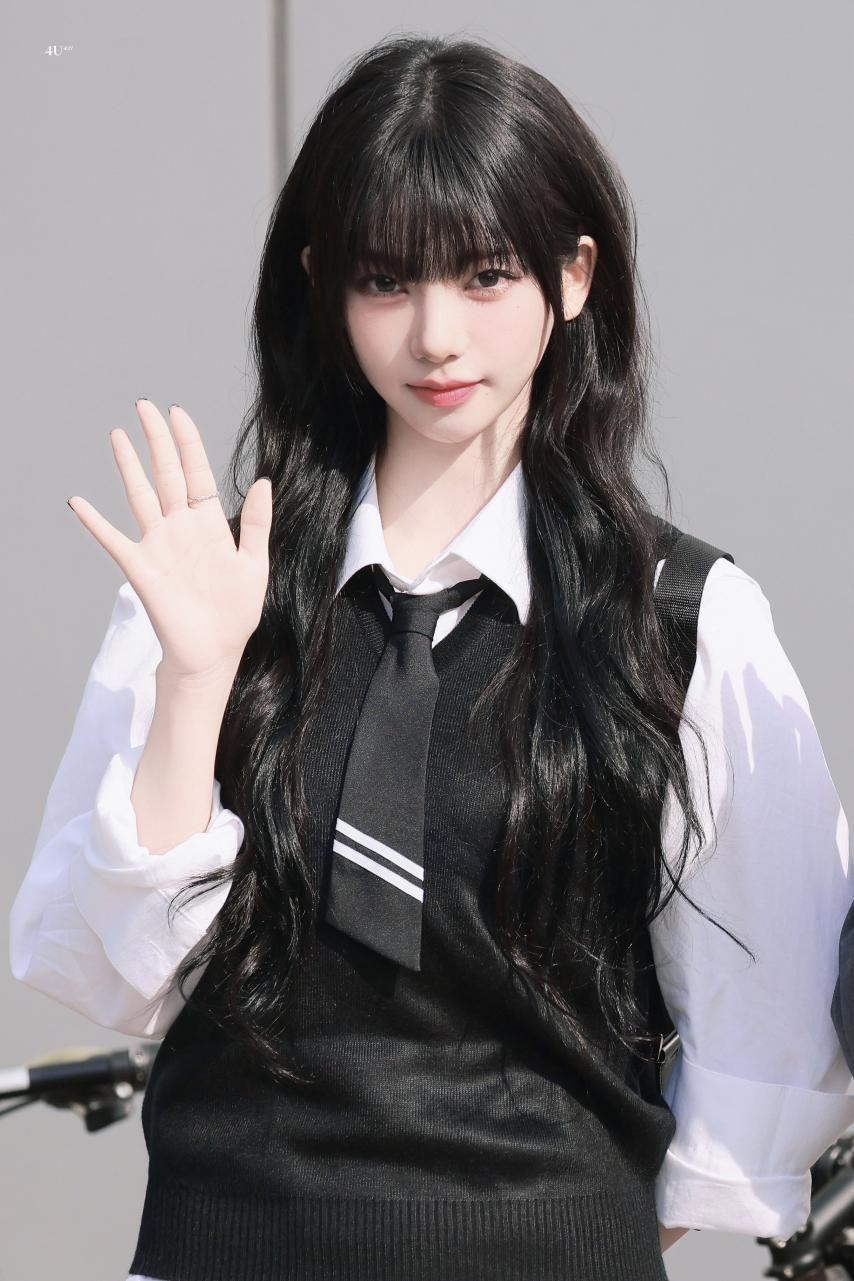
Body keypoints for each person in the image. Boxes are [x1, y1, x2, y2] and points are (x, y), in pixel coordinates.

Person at [9, 32, 854, 1281]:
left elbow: (768, 1007)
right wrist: (195, 681)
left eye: (484, 274)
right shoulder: (217, 584)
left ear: (574, 275)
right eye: (386, 281)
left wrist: (575, 1226)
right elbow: (109, 971)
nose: (435, 336)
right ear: (322, 287)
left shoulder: (679, 617)